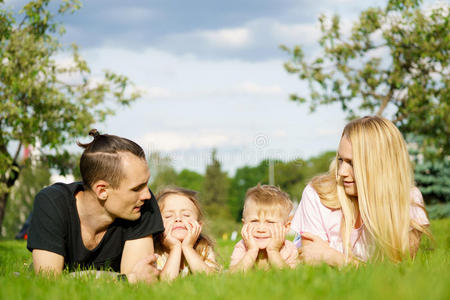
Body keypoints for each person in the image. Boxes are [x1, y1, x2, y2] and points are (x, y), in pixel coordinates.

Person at [27, 130, 164, 283]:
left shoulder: (141, 206)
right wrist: (126, 280)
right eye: (137, 188)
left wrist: (130, 280)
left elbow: (140, 281)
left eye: (146, 184)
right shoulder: (52, 203)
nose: (147, 195)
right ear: (102, 190)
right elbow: (48, 282)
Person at [291, 116, 431, 266]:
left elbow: (400, 271)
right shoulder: (317, 195)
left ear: (381, 165)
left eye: (352, 163)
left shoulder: (409, 200)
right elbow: (314, 264)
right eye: (341, 160)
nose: (342, 172)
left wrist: (335, 258)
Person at [154, 187, 220, 281]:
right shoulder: (155, 251)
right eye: (168, 216)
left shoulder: (203, 248)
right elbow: (165, 284)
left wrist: (188, 247)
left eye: (186, 215)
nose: (178, 218)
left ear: (199, 225)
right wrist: (175, 247)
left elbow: (211, 280)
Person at [229, 184, 298, 272]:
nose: (261, 229)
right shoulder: (242, 247)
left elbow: (289, 277)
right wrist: (251, 250)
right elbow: (234, 276)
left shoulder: (288, 248)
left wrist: (273, 251)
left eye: (270, 222)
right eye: (254, 221)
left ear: (286, 227)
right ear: (244, 224)